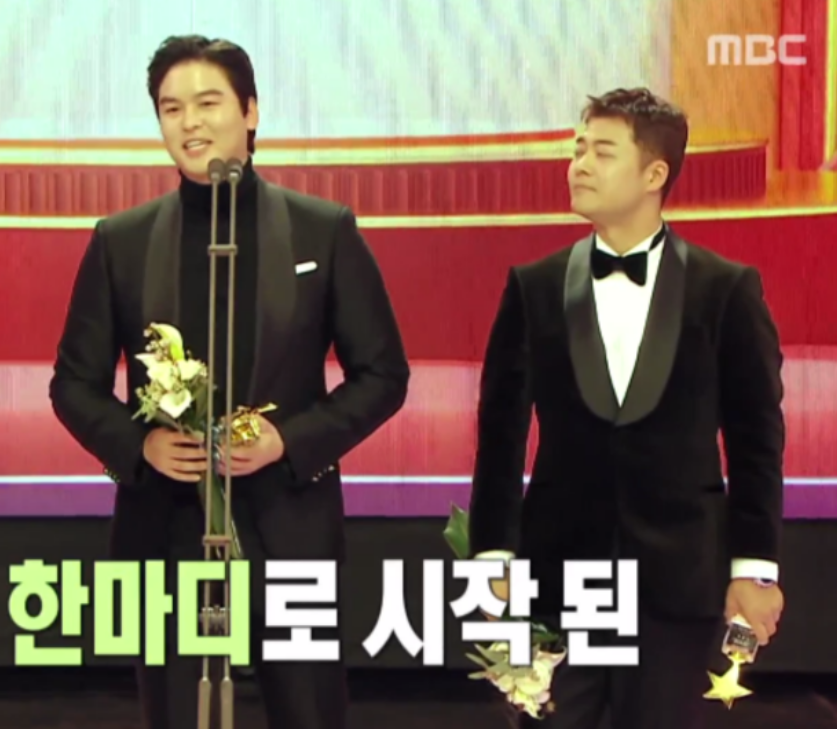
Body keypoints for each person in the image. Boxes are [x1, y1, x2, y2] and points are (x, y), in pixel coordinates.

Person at [49, 35, 409, 729]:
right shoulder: (120, 240)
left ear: (250, 111)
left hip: (289, 524)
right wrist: (139, 447)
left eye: (208, 103)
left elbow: (383, 374)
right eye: (170, 108)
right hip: (166, 525)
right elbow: (73, 383)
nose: (189, 122)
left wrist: (288, 441)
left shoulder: (322, 231)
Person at [467, 88, 785, 729]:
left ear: (654, 173)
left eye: (602, 152)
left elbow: (756, 439)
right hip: (557, 576)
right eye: (577, 149)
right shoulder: (534, 286)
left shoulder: (724, 289)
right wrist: (493, 556)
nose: (579, 165)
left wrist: (754, 567)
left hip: (678, 581)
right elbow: (500, 435)